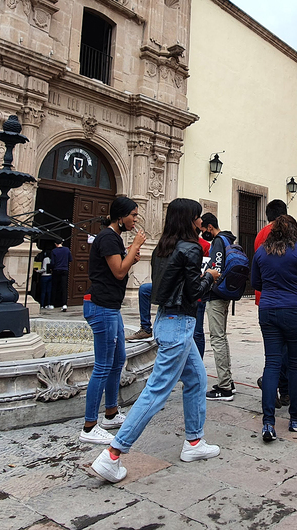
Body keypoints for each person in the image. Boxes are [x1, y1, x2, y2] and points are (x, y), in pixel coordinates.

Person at [89, 198, 222, 483]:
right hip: (179, 324)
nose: (201, 222)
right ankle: (113, 453)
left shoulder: (164, 246)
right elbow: (193, 292)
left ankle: (194, 442)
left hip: (166, 320)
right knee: (156, 391)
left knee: (197, 379)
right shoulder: (191, 248)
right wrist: (210, 276)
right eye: (197, 218)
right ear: (188, 220)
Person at [80, 197, 147, 445]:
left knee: (118, 360)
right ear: (120, 216)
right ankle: (88, 426)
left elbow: (117, 270)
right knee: (103, 365)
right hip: (101, 306)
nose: (135, 219)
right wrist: (133, 249)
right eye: (133, 215)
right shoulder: (108, 238)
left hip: (111, 307)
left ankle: (110, 413)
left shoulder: (113, 238)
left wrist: (130, 256)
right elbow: (119, 270)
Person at [251, 214, 297, 442]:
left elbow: (255, 283)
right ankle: (296, 418)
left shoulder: (261, 251)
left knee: (272, 363)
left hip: (269, 309)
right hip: (296, 309)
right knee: (296, 364)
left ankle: (268, 423)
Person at [255, 199, 290, 407]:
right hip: (286, 297)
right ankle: (275, 383)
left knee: (274, 347)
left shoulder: (260, 235)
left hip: (264, 297)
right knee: (286, 348)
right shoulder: (287, 232)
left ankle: (283, 390)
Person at [200, 213, 237, 401]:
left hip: (216, 295)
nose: (202, 233)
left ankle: (224, 388)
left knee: (217, 339)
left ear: (209, 227)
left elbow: (217, 268)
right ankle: (228, 381)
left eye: (203, 230)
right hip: (226, 294)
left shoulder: (217, 242)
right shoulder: (228, 239)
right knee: (222, 337)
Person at [50, 241, 71, 312]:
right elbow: (70, 259)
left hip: (56, 270)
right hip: (65, 269)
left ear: (55, 244)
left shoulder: (54, 251)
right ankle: (64, 304)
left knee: (54, 287)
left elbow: (52, 262)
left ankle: (52, 303)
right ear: (62, 242)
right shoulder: (67, 250)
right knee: (64, 287)